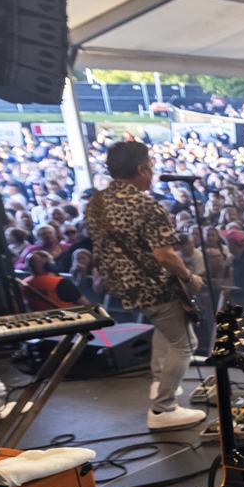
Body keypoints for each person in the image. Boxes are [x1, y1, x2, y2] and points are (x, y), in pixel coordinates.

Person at [85, 141, 206, 431]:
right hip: (152, 285)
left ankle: (158, 382)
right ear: (140, 169)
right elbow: (163, 254)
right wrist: (189, 278)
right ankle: (163, 408)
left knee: (166, 328)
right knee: (186, 343)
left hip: (120, 285)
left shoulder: (97, 201)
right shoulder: (143, 204)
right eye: (150, 166)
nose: (152, 173)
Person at [19, 250, 87, 311]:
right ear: (48, 265)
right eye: (51, 260)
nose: (54, 263)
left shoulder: (24, 283)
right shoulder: (60, 282)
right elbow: (85, 305)